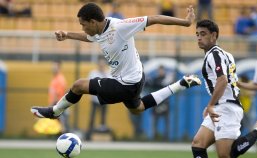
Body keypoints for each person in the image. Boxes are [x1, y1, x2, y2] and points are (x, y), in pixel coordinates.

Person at [30, 3, 201, 123]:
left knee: (78, 86)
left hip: (126, 83)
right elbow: (91, 37)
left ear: (93, 22)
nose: (82, 28)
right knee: (138, 108)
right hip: (135, 78)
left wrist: (185, 23)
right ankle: (180, 84)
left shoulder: (120, 27)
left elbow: (154, 18)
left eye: (83, 25)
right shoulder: (99, 30)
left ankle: (55, 111)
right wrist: (67, 34)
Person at [191, 20, 257, 158]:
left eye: (203, 34)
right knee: (198, 143)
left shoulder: (214, 54)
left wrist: (210, 104)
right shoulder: (225, 54)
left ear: (214, 35)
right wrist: (213, 104)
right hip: (221, 105)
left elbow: (223, 80)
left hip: (226, 108)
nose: (199, 38)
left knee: (225, 155)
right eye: (197, 34)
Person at [86, 57, 111, 140]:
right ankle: (88, 136)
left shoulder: (108, 73)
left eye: (103, 63)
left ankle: (102, 137)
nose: (101, 65)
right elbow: (88, 85)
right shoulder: (93, 73)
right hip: (95, 100)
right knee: (92, 118)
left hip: (104, 100)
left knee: (103, 119)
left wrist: (104, 74)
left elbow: (110, 85)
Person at [48, 60, 70, 133]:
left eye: (55, 66)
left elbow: (58, 94)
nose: (53, 68)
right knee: (59, 125)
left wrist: (52, 106)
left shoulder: (60, 79)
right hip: (57, 105)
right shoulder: (55, 78)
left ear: (59, 67)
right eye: (53, 66)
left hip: (58, 105)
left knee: (62, 125)